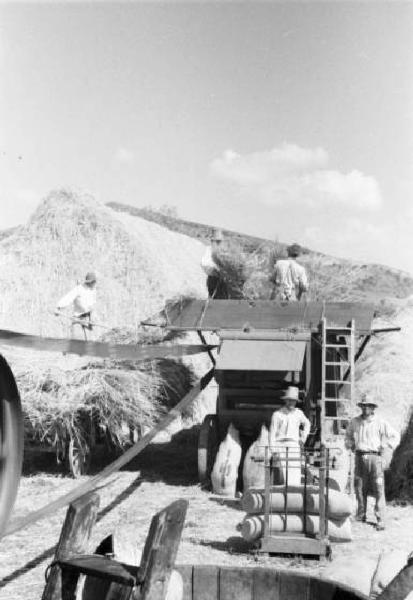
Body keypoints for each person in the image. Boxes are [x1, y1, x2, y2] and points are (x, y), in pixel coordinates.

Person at [345, 395, 400, 530]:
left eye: (368, 406)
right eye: (363, 406)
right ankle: (361, 514)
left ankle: (380, 518)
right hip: (359, 456)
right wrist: (350, 444)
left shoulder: (380, 422)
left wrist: (387, 445)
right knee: (359, 487)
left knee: (378, 488)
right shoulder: (355, 422)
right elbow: (347, 436)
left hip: (375, 457)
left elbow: (395, 435)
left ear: (373, 408)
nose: (365, 408)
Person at [269, 386, 311, 485]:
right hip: (280, 446)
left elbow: (307, 424)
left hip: (294, 445)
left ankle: (293, 493)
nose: (291, 403)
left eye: (293, 401)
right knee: (281, 473)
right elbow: (272, 433)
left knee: (294, 471)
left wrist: (303, 438)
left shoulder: (299, 413)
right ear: (286, 400)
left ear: (296, 402)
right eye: (289, 400)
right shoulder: (277, 414)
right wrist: (273, 450)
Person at [55, 271, 97, 340]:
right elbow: (68, 297)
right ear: (89, 282)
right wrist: (59, 307)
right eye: (92, 282)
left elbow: (92, 306)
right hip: (78, 320)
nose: (93, 284)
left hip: (88, 321)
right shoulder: (79, 289)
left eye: (94, 282)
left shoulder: (93, 291)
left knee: (89, 345)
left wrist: (92, 319)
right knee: (78, 344)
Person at [200, 229, 228, 299]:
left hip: (223, 281)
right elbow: (204, 265)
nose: (217, 243)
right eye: (215, 241)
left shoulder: (224, 251)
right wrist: (216, 271)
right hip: (213, 279)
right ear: (212, 241)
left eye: (219, 241)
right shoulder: (208, 250)